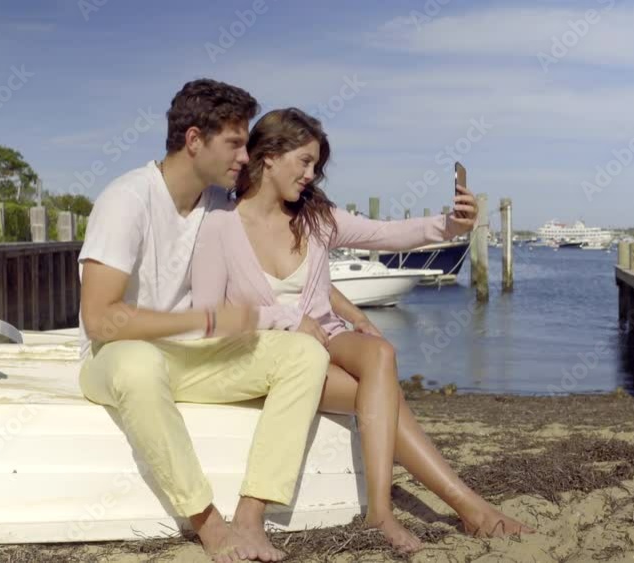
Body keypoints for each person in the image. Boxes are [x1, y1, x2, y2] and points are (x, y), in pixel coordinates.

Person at [191, 108, 533, 554]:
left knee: (380, 355)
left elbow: (386, 234)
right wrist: (287, 319)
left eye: (317, 165)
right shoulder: (220, 226)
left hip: (327, 341)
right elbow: (208, 317)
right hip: (264, 357)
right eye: (305, 161)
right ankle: (466, 507)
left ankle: (385, 512)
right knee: (380, 397)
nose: (312, 175)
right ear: (269, 156)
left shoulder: (317, 219)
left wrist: (450, 225)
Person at [78, 81, 331, 563]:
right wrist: (208, 318)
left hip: (192, 358)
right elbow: (99, 319)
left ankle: (252, 516)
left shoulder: (220, 204)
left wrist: (344, 313)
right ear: (194, 140)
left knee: (304, 353)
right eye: (234, 143)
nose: (245, 155)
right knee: (137, 366)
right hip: (116, 356)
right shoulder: (126, 200)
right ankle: (208, 524)